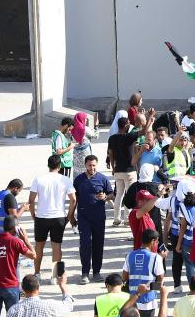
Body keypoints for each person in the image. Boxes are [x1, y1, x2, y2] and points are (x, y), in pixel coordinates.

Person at [27, 155, 76, 282]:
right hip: (59, 216)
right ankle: (55, 276)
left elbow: (31, 200)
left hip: (41, 216)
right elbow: (73, 199)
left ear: (48, 165)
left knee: (39, 246)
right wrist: (69, 216)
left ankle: (37, 273)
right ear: (59, 166)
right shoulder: (65, 180)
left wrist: (33, 214)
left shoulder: (38, 179)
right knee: (57, 246)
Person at [73, 155, 114, 283]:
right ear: (85, 165)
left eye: (94, 165)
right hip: (83, 217)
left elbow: (112, 194)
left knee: (98, 244)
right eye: (89, 165)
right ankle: (85, 273)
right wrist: (71, 216)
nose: (92, 168)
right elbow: (74, 198)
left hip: (99, 217)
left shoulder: (103, 179)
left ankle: (96, 272)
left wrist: (105, 197)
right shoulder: (78, 180)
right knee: (85, 244)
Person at [122, 228, 164, 317]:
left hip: (132, 301)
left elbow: (124, 277)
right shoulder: (156, 258)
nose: (157, 244)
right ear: (153, 241)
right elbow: (160, 280)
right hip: (148, 302)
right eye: (157, 242)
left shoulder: (130, 255)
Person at [107, 116, 139, 226]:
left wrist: (113, 167)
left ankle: (116, 219)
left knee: (119, 195)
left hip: (118, 170)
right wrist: (150, 118)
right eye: (128, 124)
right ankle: (127, 219)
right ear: (126, 126)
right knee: (129, 194)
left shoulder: (112, 138)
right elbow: (143, 131)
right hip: (129, 171)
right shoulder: (129, 137)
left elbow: (111, 154)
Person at [0, 178, 29, 247]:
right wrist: (23, 209)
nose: (18, 193)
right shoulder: (9, 197)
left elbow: (3, 210)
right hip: (6, 233)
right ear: (15, 188)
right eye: (19, 191)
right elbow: (14, 218)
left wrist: (19, 209)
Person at [70, 112, 96, 180]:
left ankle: (77, 184)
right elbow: (95, 136)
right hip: (85, 153)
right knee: (87, 168)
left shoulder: (72, 129)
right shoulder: (85, 129)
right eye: (85, 118)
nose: (86, 120)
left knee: (77, 170)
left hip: (76, 153)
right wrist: (96, 127)